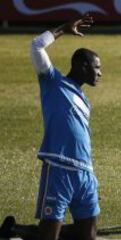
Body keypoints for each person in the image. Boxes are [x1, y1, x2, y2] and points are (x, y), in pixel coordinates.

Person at [0, 15, 102, 240]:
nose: (100, 73)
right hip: (59, 168)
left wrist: (90, 172)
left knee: (88, 236)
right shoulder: (52, 81)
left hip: (85, 172)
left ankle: (18, 231)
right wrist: (63, 29)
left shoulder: (84, 100)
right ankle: (19, 231)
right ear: (82, 65)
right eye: (97, 67)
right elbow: (36, 46)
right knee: (49, 237)